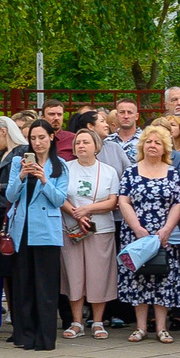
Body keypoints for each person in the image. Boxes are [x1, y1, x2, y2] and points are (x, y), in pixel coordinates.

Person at [116, 125, 180, 343]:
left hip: (163, 234)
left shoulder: (172, 172)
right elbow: (123, 200)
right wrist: (137, 227)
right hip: (136, 233)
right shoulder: (131, 171)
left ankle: (161, 327)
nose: (153, 145)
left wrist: (166, 229)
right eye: (149, 141)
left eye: (157, 142)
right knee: (138, 278)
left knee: (163, 277)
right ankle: (140, 327)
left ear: (165, 147)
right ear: (142, 145)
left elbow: (178, 202)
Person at [1, 120, 67, 351]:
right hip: (22, 230)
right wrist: (20, 176)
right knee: (24, 285)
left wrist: (43, 179)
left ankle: (46, 338)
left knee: (46, 288)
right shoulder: (19, 164)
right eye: (33, 138)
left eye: (42, 137)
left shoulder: (60, 166)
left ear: (51, 137)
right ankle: (25, 335)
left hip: (47, 233)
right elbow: (9, 195)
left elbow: (59, 200)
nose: (37, 143)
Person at [59, 128, 121, 338]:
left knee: (99, 275)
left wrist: (88, 210)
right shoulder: (65, 168)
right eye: (77, 143)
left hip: (100, 229)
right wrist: (77, 214)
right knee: (74, 275)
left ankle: (97, 321)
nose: (81, 146)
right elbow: (59, 197)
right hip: (72, 228)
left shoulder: (108, 171)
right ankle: (76, 322)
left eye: (86, 142)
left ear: (96, 146)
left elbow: (113, 201)